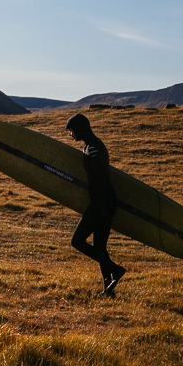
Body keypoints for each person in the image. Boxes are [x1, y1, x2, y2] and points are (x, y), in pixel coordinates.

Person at [66, 112, 127, 296]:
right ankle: (108, 291)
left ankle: (116, 270)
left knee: (76, 241)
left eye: (71, 131)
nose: (70, 135)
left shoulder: (93, 148)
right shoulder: (91, 146)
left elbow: (100, 180)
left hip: (102, 202)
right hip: (105, 201)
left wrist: (101, 208)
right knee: (99, 248)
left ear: (79, 129)